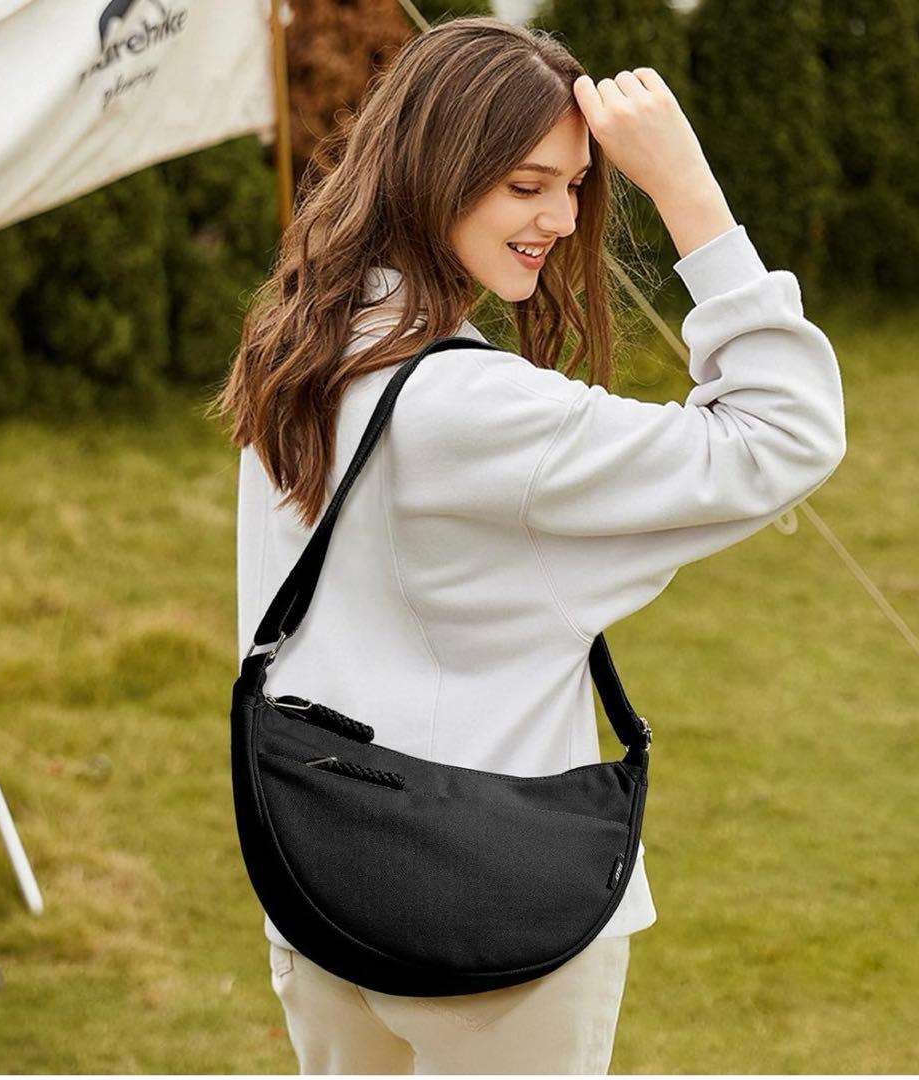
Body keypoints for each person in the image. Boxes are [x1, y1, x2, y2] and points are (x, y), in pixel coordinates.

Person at [214, 14, 846, 1076]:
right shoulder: (474, 408)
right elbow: (786, 432)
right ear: (435, 169)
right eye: (525, 185)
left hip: (319, 879)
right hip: (496, 921)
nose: (560, 217)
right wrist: (687, 187)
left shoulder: (307, 339)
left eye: (577, 185)